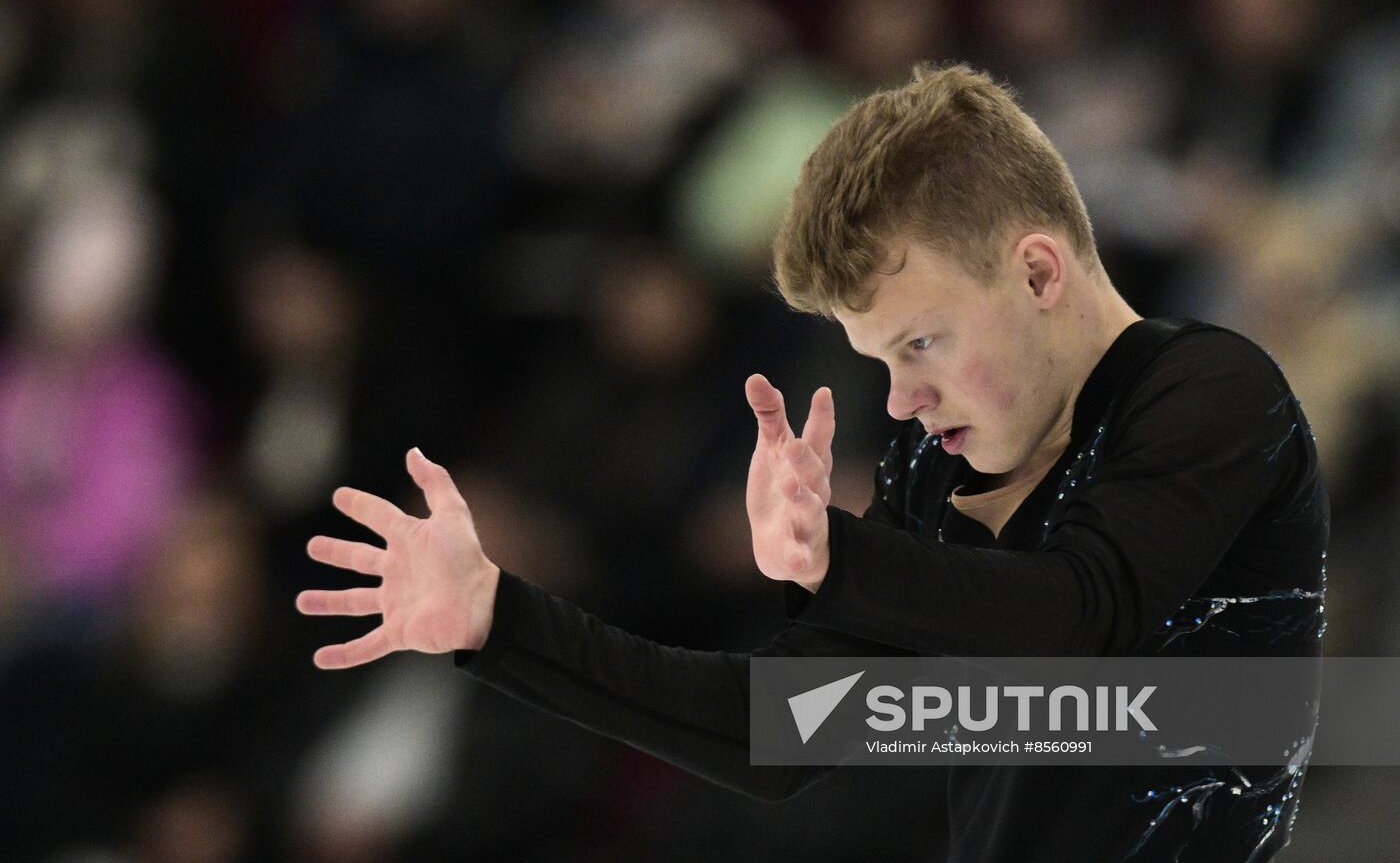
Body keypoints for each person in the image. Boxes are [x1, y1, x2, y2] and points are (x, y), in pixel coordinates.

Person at [296, 63, 1327, 861]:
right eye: (878, 361)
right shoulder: (937, 475)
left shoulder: (1211, 394)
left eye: (918, 342)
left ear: (1036, 271)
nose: (901, 399)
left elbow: (1079, 618)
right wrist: (500, 618)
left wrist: (838, 557)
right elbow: (774, 732)